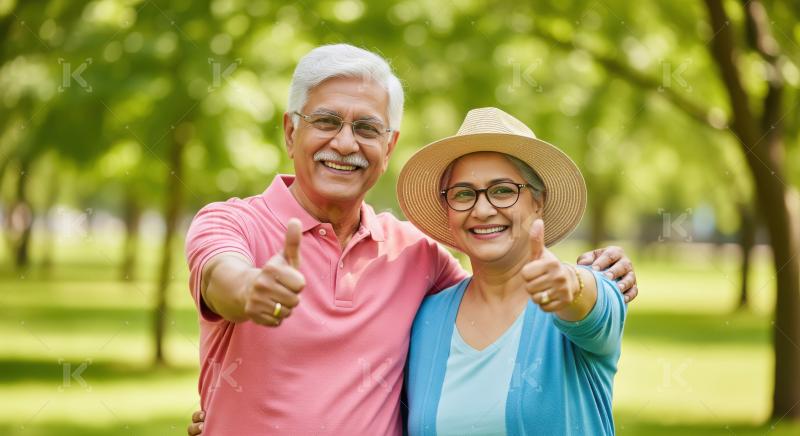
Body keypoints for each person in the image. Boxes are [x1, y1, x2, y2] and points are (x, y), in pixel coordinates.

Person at [185, 45, 637, 435]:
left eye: (366, 128)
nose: (344, 143)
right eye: (326, 121)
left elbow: (527, 288)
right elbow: (221, 275)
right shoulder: (230, 222)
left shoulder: (415, 257)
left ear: (389, 145)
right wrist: (250, 291)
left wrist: (589, 281)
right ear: (289, 132)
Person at [400, 107, 625, 435]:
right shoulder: (426, 319)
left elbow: (592, 302)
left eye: (503, 190)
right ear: (448, 209)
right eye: (463, 194)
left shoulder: (574, 295)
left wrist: (571, 282)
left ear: (538, 200)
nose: (482, 209)